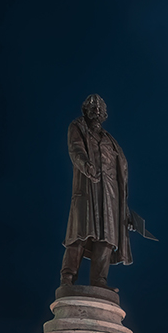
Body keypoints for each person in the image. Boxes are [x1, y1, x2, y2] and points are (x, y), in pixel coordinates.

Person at [61, 94, 135, 287]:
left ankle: (99, 281)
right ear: (85, 110)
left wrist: (125, 210)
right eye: (93, 107)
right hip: (87, 188)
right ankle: (68, 278)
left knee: (107, 239)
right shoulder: (78, 127)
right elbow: (75, 150)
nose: (97, 110)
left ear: (105, 114)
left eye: (100, 108)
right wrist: (86, 165)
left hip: (110, 195)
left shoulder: (110, 141)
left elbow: (121, 174)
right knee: (79, 234)